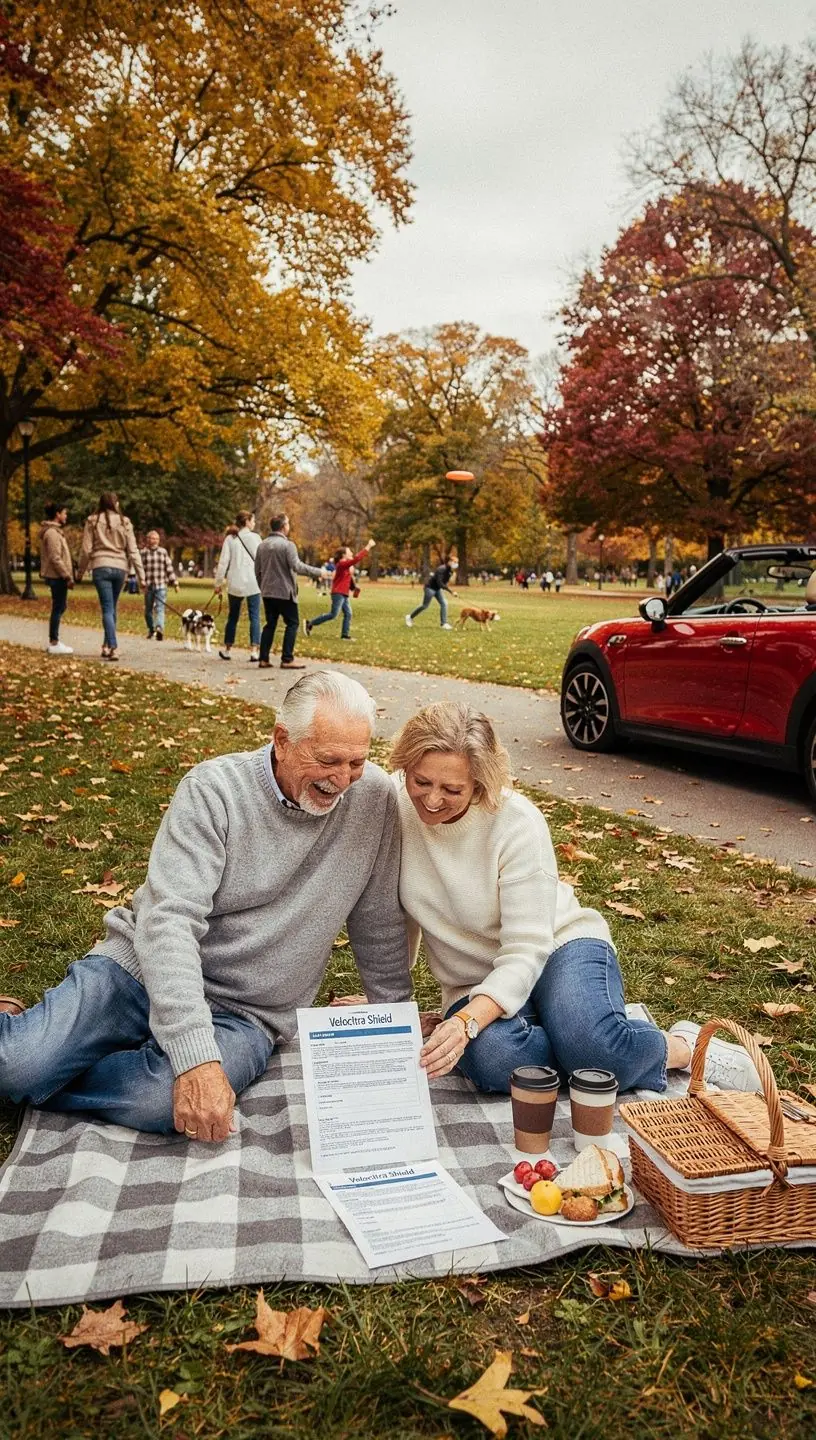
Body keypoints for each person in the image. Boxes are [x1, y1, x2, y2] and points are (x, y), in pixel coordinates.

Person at [0, 672, 411, 1139]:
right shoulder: (213, 790)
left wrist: (394, 1022)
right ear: (282, 740)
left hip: (248, 1013)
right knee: (17, 1066)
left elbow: (379, 921)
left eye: (357, 761)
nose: (343, 780)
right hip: (141, 973)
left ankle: (59, 1058)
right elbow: (169, 921)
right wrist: (195, 1056)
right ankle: (35, 1051)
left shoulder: (374, 797)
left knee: (159, 1104)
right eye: (329, 760)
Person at [388, 701, 763, 1096]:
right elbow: (396, 910)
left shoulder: (515, 822)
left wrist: (465, 1022)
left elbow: (526, 950)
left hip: (556, 947)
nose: (431, 800)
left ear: (480, 784)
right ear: (405, 766)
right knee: (496, 1061)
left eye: (452, 790)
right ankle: (579, 1038)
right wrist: (391, 1003)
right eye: (421, 782)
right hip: (472, 976)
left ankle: (683, 1048)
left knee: (595, 1049)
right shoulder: (392, 806)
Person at [76, 492, 145, 661]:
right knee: (112, 607)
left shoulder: (92, 521)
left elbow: (86, 550)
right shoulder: (125, 522)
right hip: (120, 567)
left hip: (100, 566)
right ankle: (107, 646)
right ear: (116, 504)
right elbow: (133, 550)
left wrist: (79, 572)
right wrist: (141, 576)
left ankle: (112, 646)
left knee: (107, 608)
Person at [254, 513, 327, 669]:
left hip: (267, 592)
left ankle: (263, 658)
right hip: (284, 592)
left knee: (270, 624)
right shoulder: (288, 545)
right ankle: (287, 658)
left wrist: (263, 587)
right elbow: (297, 566)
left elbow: (257, 571)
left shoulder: (262, 545)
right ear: (283, 526)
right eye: (288, 523)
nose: (289, 526)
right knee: (292, 623)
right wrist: (318, 572)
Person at [214, 509, 262, 662]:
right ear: (247, 522)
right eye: (253, 521)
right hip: (253, 583)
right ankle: (254, 650)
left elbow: (223, 563)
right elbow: (261, 560)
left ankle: (228, 649)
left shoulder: (230, 539)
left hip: (235, 582)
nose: (254, 523)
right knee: (254, 616)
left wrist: (218, 583)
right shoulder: (256, 538)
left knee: (233, 617)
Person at [305, 539, 375, 642]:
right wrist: (368, 546)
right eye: (349, 551)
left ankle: (344, 635)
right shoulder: (342, 564)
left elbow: (347, 580)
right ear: (343, 555)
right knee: (333, 614)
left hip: (343, 593)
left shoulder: (345, 566)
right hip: (338, 593)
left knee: (348, 613)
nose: (351, 553)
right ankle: (310, 623)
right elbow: (356, 559)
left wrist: (354, 588)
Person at [39, 501, 74, 655]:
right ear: (57, 514)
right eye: (64, 513)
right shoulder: (52, 533)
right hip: (57, 576)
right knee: (58, 607)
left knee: (60, 606)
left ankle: (54, 640)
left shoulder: (55, 531)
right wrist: (66, 576)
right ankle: (54, 642)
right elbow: (55, 557)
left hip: (58, 576)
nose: (66, 516)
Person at [141, 529, 179, 641]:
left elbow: (169, 568)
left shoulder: (163, 552)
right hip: (148, 586)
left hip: (161, 585)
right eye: (152, 538)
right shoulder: (143, 553)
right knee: (148, 610)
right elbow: (140, 569)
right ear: (148, 540)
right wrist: (141, 583)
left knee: (160, 608)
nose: (154, 541)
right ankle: (151, 629)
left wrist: (175, 583)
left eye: (156, 539)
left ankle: (159, 629)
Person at [405, 558, 458, 630]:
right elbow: (440, 583)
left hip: (437, 589)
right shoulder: (441, 569)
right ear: (449, 562)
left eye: (457, 562)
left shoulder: (450, 571)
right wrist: (451, 592)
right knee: (425, 606)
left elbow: (444, 582)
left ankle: (444, 623)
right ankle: (409, 617)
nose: (456, 564)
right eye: (454, 562)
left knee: (444, 603)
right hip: (430, 588)